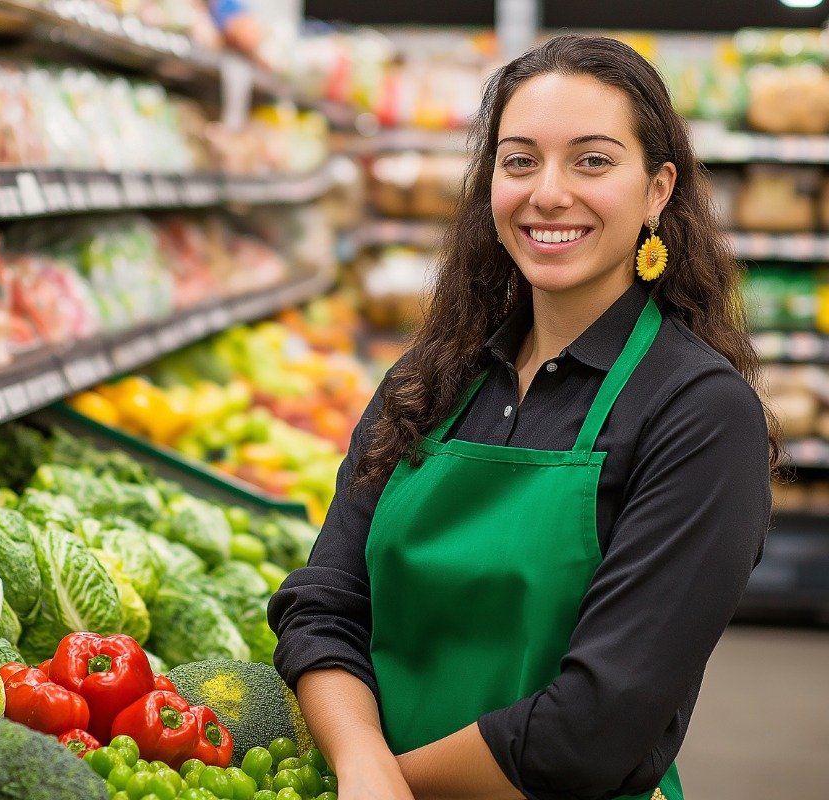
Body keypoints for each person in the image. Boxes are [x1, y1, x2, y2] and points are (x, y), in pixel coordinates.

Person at [269, 34, 776, 800]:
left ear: (657, 189)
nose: (548, 193)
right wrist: (361, 762)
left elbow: (596, 726)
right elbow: (323, 605)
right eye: (520, 160)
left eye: (593, 160)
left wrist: (384, 784)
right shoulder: (427, 381)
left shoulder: (700, 414)